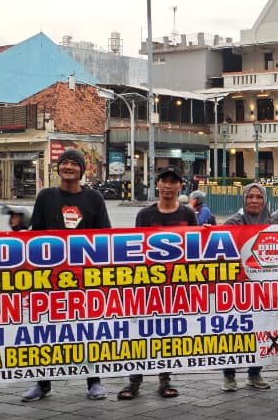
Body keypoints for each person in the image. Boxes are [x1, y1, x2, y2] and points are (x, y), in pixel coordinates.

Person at [22, 148, 112, 402]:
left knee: (87, 330)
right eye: (64, 163)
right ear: (58, 168)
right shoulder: (46, 197)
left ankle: (94, 381)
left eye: (74, 164)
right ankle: (42, 382)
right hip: (50, 278)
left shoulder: (94, 199)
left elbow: (106, 237)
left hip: (84, 278)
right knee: (46, 332)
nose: (69, 167)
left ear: (82, 171)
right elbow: (35, 235)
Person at [122, 168, 197, 400]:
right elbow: (136, 248)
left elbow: (195, 247)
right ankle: (134, 380)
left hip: (174, 286)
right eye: (164, 181)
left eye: (172, 182)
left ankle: (165, 380)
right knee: (139, 333)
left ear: (179, 187)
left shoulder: (188, 214)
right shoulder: (145, 215)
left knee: (167, 334)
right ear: (158, 185)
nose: (167, 186)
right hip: (147, 284)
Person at [221, 183, 272, 391]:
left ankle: (255, 373)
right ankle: (229, 375)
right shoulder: (233, 222)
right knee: (234, 331)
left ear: (264, 201)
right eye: (250, 197)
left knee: (260, 331)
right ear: (243, 199)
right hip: (237, 287)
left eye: (258, 197)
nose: (254, 201)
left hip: (262, 289)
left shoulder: (272, 222)